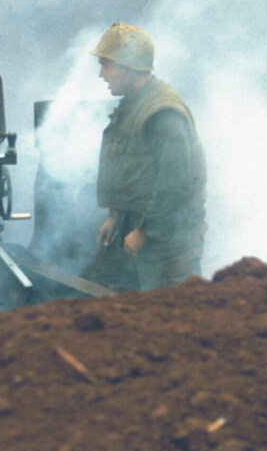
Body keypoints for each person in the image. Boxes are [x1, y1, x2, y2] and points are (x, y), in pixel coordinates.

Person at [88, 22, 207, 292]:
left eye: (106, 65)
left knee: (171, 316)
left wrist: (144, 233)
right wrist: (115, 216)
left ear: (128, 67)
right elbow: (132, 171)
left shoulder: (162, 112)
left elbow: (176, 185)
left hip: (169, 239)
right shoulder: (135, 102)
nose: (101, 74)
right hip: (140, 228)